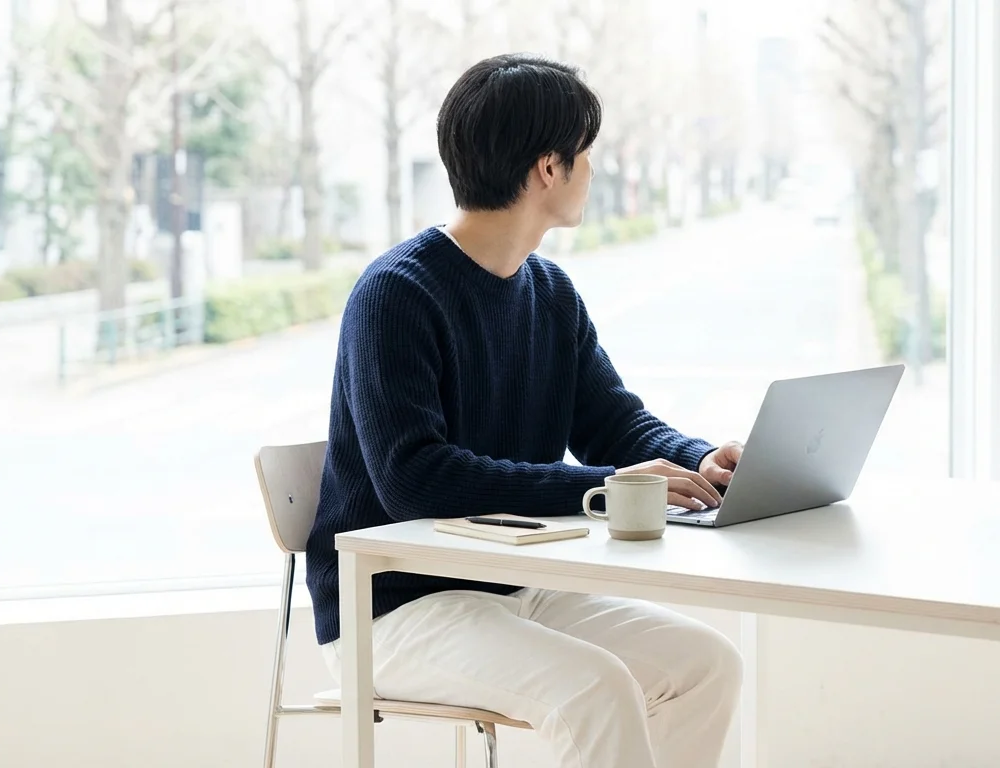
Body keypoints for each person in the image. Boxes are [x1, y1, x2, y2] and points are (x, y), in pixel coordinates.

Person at [304, 53, 744, 768]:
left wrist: (700, 460)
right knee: (595, 690)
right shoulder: (396, 294)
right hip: (389, 608)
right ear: (548, 168)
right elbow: (413, 477)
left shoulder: (550, 292)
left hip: (508, 587)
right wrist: (605, 487)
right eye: (585, 153)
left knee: (705, 664)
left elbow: (613, 423)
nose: (592, 170)